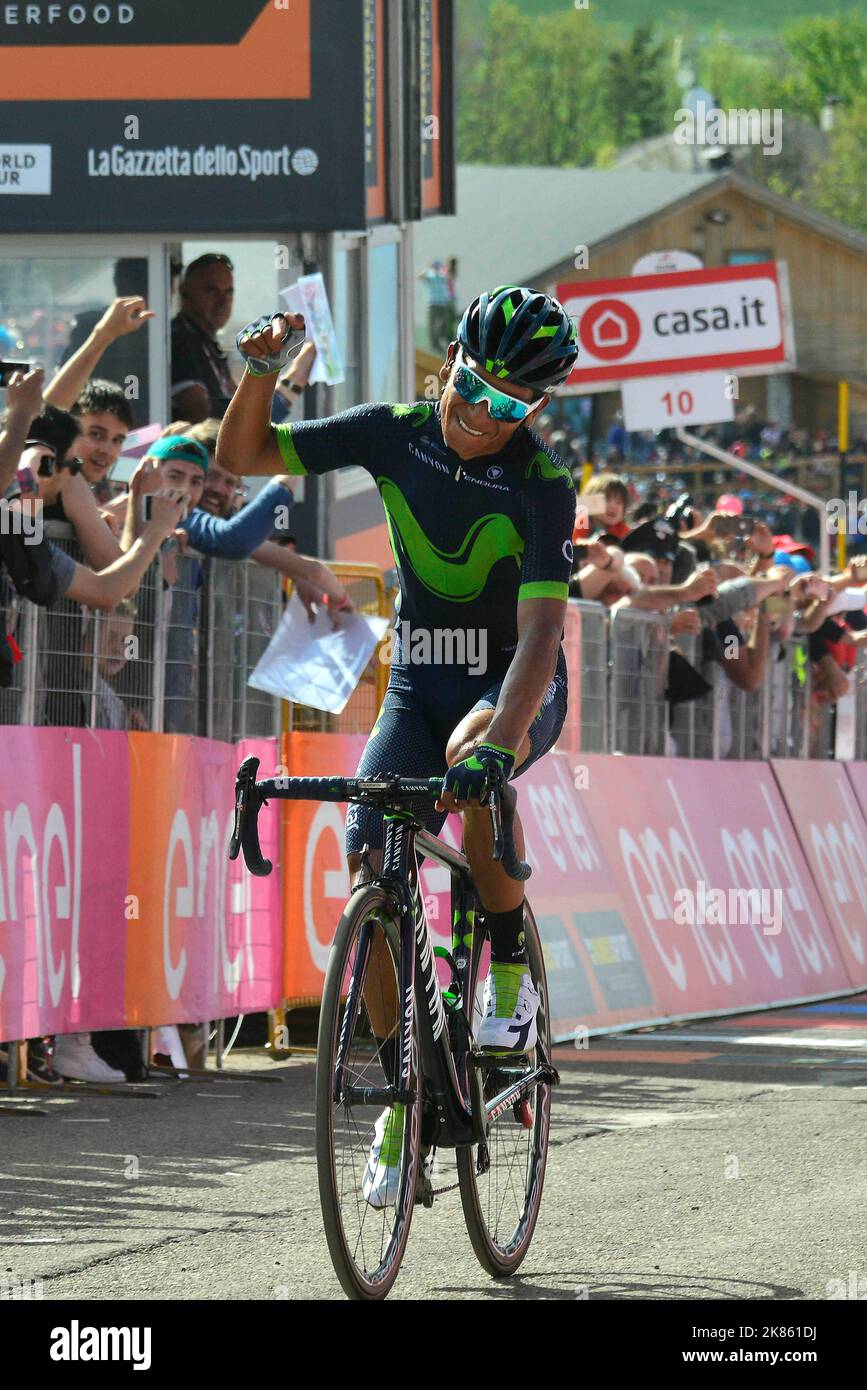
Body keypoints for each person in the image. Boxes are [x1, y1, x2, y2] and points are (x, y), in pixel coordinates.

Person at [217, 284, 578, 1207]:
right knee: (367, 856)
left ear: (534, 410)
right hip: (417, 681)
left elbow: (540, 637)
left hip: (511, 682)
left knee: (471, 761)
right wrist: (260, 372)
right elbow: (244, 452)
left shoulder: (539, 483)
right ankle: (400, 1093)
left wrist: (498, 743)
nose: (478, 412)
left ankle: (503, 965)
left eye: (507, 405)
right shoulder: (393, 429)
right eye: (470, 384)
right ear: (448, 362)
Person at [171, 252, 236, 422]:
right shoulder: (180, 340)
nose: (223, 301)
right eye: (212, 291)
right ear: (185, 294)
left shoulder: (208, 343)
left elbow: (242, 405)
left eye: (228, 292)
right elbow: (203, 419)